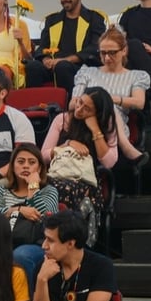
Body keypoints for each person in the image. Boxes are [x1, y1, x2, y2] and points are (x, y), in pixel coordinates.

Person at [71, 26, 150, 163]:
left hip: (113, 125)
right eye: (102, 53)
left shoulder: (136, 76)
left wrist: (111, 100)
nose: (107, 58)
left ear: (124, 50)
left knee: (109, 106)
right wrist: (93, 103)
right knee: (104, 103)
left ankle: (124, 145)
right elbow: (73, 103)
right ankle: (126, 147)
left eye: (112, 53)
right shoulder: (87, 72)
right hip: (84, 121)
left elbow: (139, 102)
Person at [42, 86, 119, 220]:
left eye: (87, 109)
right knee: (48, 187)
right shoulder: (63, 119)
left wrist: (95, 129)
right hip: (58, 175)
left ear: (97, 114)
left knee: (70, 190)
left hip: (86, 179)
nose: (79, 109)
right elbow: (43, 155)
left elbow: (108, 162)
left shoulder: (106, 125)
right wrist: (68, 145)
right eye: (80, 102)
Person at [0, 143, 59, 288]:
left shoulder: (49, 191)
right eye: (20, 162)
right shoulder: (2, 190)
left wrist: (33, 187)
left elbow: (48, 219)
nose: (26, 166)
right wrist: (18, 210)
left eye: (32, 162)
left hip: (37, 244)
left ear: (39, 168)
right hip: (4, 242)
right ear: (12, 166)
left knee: (21, 256)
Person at [24, 0, 106, 93]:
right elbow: (42, 47)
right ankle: (34, 108)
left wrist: (67, 60)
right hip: (53, 66)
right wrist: (46, 59)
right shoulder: (52, 20)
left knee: (62, 67)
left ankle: (69, 108)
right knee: (32, 67)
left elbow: (95, 48)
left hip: (81, 67)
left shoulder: (94, 18)